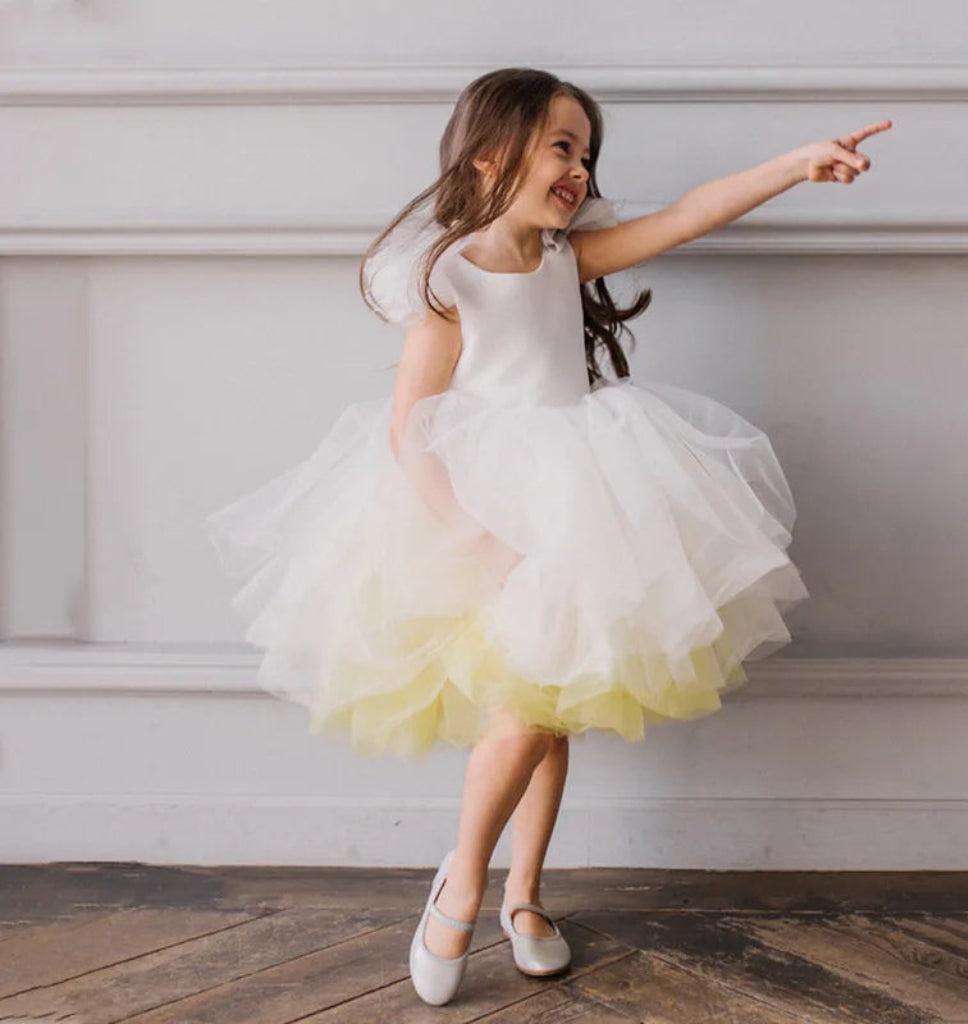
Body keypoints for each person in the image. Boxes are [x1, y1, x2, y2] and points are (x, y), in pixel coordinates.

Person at [204, 67, 891, 1005]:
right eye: (560, 147)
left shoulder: (570, 256)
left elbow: (691, 213)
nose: (578, 167)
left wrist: (797, 165)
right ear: (494, 154)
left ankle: (523, 897)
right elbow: (411, 426)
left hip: (584, 492)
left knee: (548, 703)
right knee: (530, 702)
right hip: (490, 506)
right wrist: (475, 540)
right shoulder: (450, 277)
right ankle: (465, 883)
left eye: (585, 152)